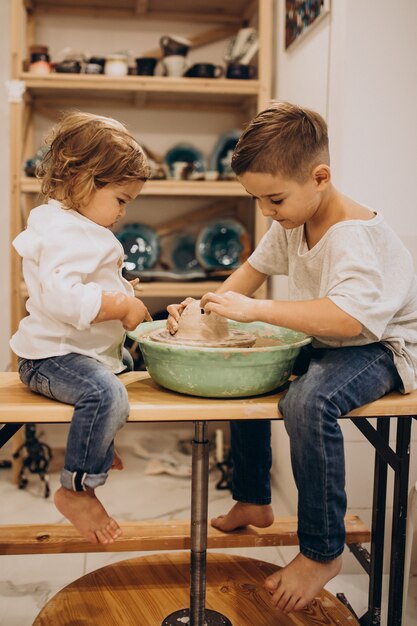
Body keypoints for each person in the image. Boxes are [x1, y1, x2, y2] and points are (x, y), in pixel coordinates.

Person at [167, 101, 417, 613]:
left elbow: (350, 321)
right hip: (331, 343)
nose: (266, 211)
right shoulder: (290, 221)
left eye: (273, 198)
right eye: (257, 199)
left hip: (381, 346)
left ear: (319, 176)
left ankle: (322, 551)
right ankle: (255, 498)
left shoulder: (354, 237)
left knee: (307, 403)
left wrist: (255, 310)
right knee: (245, 368)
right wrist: (199, 309)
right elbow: (249, 275)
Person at [10, 111, 152, 545]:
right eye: (121, 200)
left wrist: (118, 288)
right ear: (83, 182)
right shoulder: (64, 232)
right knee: (104, 393)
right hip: (49, 357)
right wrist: (119, 303)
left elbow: (80, 281)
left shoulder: (76, 225)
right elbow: (60, 296)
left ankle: (97, 445)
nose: (124, 211)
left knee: (125, 366)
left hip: (76, 350)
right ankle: (77, 488)